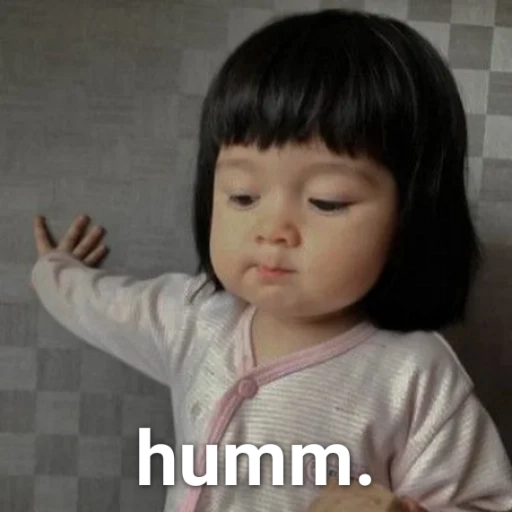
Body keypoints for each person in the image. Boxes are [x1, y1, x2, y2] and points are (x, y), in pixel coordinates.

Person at [30, 8, 512, 512]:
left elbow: (484, 502)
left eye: (326, 201)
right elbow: (97, 303)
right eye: (243, 196)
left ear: (413, 212)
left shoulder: (415, 376)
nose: (272, 230)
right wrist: (54, 270)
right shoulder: (194, 317)